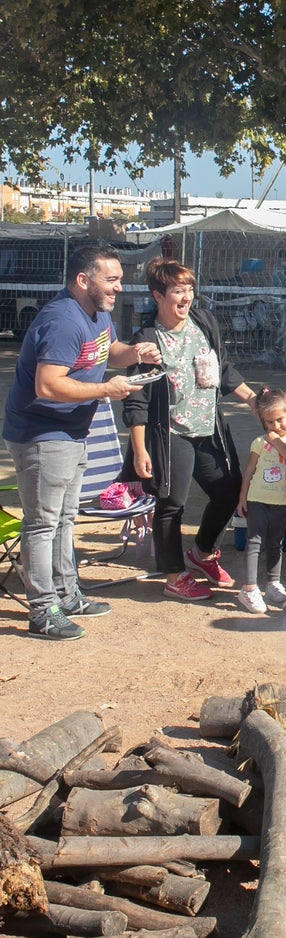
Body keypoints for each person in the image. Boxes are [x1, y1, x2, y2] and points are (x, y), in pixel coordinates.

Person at [2, 242, 161, 640]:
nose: (119, 288)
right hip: (42, 434)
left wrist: (136, 353)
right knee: (42, 523)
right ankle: (43, 611)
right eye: (111, 280)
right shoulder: (63, 320)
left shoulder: (97, 315)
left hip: (72, 431)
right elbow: (48, 383)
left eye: (120, 280)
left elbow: (110, 352)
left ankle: (68, 596)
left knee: (64, 518)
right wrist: (106, 389)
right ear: (82, 280)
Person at [123, 259, 258, 600]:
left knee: (229, 491)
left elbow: (224, 369)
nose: (187, 297)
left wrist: (255, 402)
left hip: (208, 427)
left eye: (190, 290)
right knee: (172, 503)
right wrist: (140, 450)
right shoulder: (147, 339)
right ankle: (173, 576)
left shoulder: (203, 322)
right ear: (158, 295)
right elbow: (137, 398)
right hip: (171, 432)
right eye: (178, 291)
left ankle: (202, 553)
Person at [236, 388, 286, 614]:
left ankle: (272, 583)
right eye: (269, 422)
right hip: (257, 499)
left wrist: (277, 441)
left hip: (281, 500)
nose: (275, 426)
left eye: (280, 420)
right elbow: (249, 470)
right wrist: (242, 498)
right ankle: (248, 588)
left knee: (275, 542)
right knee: (254, 542)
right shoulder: (259, 442)